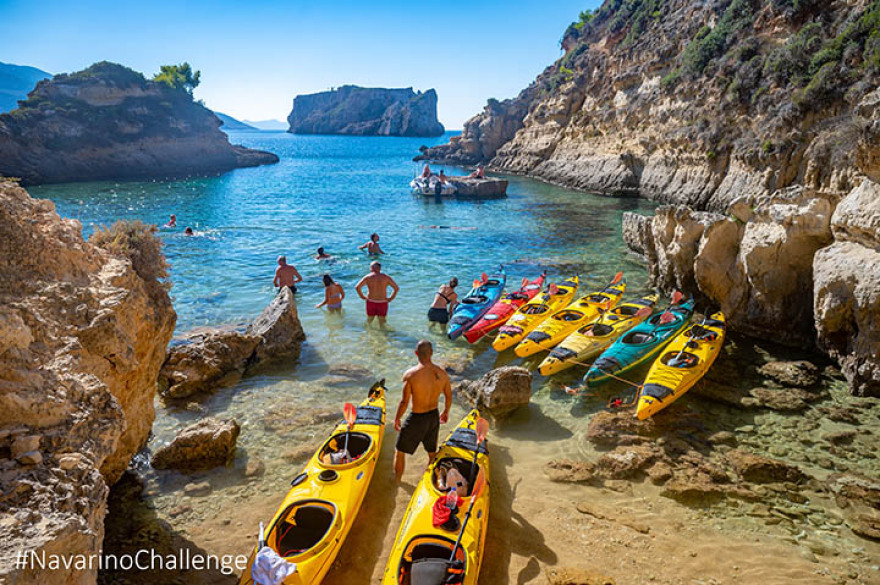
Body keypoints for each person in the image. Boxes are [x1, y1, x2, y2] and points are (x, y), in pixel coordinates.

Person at [394, 340, 451, 481]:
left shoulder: (410, 375)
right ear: (431, 353)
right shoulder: (442, 374)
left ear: (416, 353)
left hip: (416, 419)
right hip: (433, 417)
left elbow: (404, 402)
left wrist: (397, 418)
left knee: (400, 451)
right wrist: (446, 412)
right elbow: (448, 396)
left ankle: (396, 482)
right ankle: (426, 481)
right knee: (431, 453)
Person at [355, 261, 399, 325]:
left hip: (371, 301)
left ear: (371, 268)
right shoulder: (386, 277)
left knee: (369, 320)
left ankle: (367, 331)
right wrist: (391, 298)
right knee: (382, 321)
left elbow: (357, 287)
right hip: (382, 302)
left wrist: (362, 296)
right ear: (380, 268)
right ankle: (382, 331)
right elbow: (396, 288)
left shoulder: (368, 277)